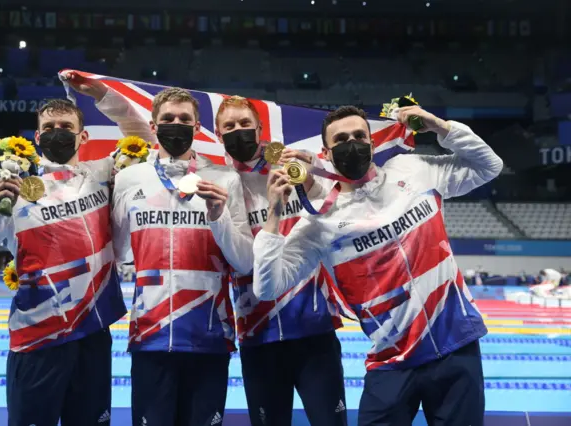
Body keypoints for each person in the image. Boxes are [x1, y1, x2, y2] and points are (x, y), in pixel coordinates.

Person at [252, 105, 504, 426]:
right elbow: (267, 287)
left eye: (359, 136)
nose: (352, 143)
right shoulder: (319, 223)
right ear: (327, 154)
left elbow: (489, 166)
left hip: (455, 345)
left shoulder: (412, 169)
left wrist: (440, 127)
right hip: (392, 362)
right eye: (341, 139)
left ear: (372, 143)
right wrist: (274, 214)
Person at [0, 99, 127, 425]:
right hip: (37, 339)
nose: (57, 134)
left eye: (66, 128)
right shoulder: (13, 187)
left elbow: (143, 136)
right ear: (37, 137)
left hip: (92, 335)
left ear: (82, 137)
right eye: (49, 128)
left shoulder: (101, 174)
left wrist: (102, 93)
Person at [108, 87, 254, 426]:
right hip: (150, 334)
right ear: (153, 126)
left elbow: (244, 262)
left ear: (197, 126)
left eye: (185, 119)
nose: (177, 124)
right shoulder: (130, 179)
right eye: (168, 119)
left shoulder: (224, 179)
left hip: (209, 334)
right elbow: (119, 252)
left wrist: (218, 216)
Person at [214, 96, 347, 425]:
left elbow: (335, 208)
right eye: (229, 126)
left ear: (260, 128)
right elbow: (240, 259)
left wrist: (312, 173)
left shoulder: (290, 167)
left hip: (314, 327)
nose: (238, 131)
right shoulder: (220, 187)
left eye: (245, 124)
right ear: (218, 135)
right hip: (258, 332)